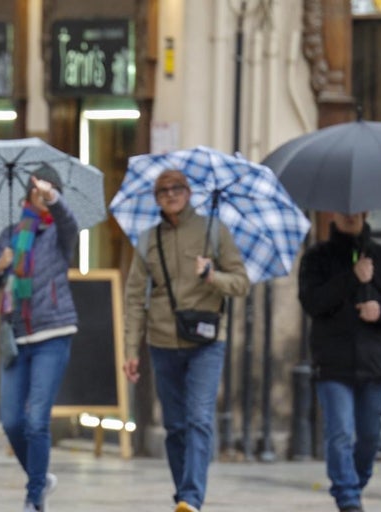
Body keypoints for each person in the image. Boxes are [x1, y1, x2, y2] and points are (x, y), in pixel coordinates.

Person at [122, 169, 249, 512]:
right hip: (162, 342)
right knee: (175, 426)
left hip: (206, 342)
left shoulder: (213, 230)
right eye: (163, 191)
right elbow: (134, 298)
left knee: (199, 419)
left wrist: (213, 276)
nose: (171, 195)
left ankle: (193, 496)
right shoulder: (148, 239)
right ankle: (184, 495)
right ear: (156, 198)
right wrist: (131, 349)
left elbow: (241, 282)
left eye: (176, 188)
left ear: (189, 192)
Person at [297, 210, 381, 512]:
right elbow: (312, 302)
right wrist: (352, 277)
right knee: (340, 432)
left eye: (355, 211)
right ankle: (348, 498)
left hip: (373, 365)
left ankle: (354, 485)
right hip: (332, 363)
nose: (349, 216)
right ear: (334, 214)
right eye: (343, 210)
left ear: (365, 213)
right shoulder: (317, 256)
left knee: (370, 436)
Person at [0, 168, 78, 512]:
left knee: (37, 420)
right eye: (38, 191)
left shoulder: (60, 234)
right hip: (16, 337)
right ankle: (40, 477)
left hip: (53, 333)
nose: (43, 196)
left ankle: (34, 495)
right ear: (27, 194)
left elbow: (68, 219)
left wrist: (53, 196)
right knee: (11, 422)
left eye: (49, 192)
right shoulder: (10, 235)